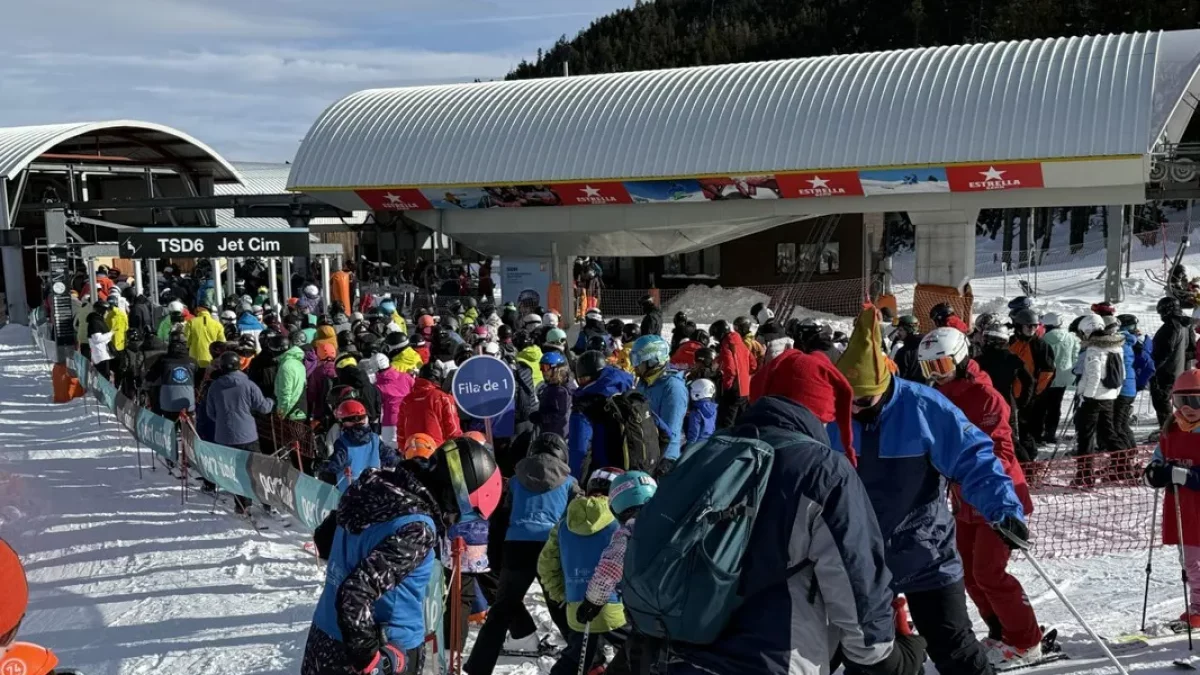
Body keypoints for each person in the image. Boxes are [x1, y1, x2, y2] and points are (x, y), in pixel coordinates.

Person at [671, 347, 929, 675]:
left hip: (682, 649)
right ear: (819, 407)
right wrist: (885, 656)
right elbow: (853, 574)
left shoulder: (707, 452)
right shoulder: (820, 470)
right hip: (772, 657)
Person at [830, 305, 1026, 675]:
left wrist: (1003, 508)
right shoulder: (832, 413)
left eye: (863, 401)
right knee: (869, 659)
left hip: (925, 551)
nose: (853, 409)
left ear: (884, 385)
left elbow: (976, 457)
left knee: (956, 651)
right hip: (861, 561)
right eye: (847, 400)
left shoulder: (922, 406)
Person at [303, 438, 502, 675]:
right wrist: (371, 661)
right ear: (454, 496)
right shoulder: (416, 527)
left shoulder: (374, 487)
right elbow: (355, 594)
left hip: (324, 636)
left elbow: (324, 540)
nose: (454, 522)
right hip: (381, 649)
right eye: (462, 515)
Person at [917, 328, 1042, 667]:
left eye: (942, 365)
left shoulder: (985, 396)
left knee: (990, 572)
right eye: (929, 369)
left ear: (959, 357)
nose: (937, 375)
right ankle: (1001, 631)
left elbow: (1000, 446)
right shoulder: (935, 396)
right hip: (963, 499)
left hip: (997, 494)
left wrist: (984, 482)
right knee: (968, 572)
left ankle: (1027, 640)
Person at [465, 433, 578, 675]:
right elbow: (575, 522)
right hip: (551, 548)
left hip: (516, 547)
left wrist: (494, 557)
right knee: (559, 607)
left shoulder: (515, 481)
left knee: (501, 611)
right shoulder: (570, 483)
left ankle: (477, 668)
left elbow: (500, 520)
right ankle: (585, 658)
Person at [538, 467, 627, 675]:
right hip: (616, 608)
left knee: (578, 655)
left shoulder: (564, 525)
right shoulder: (621, 524)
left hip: (577, 607)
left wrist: (564, 595)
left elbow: (546, 565)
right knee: (642, 651)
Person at [1143, 369, 1200, 628]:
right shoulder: (1171, 430)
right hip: (1183, 509)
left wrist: (1182, 474)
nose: (1188, 409)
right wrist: (1154, 473)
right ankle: (1198, 607)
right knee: (1190, 562)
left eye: (1196, 402)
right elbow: (1159, 459)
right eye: (1181, 402)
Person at [204, 351, 275, 512]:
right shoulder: (248, 384)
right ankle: (266, 502)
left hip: (224, 436)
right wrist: (272, 401)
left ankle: (242, 504)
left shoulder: (215, 386)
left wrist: (223, 422)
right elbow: (263, 407)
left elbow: (211, 413)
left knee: (234, 470)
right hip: (248, 434)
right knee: (255, 467)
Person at [1072, 314, 1126, 485]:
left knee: (1086, 436)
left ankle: (1085, 475)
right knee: (1108, 433)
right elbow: (1122, 373)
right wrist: (1114, 393)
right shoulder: (1116, 346)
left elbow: (1094, 375)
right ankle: (1123, 466)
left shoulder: (1094, 348)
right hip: (1109, 396)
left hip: (1093, 399)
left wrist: (1086, 396)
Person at [568, 351, 635, 478]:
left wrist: (575, 486)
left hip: (601, 477)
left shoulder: (584, 407)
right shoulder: (630, 393)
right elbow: (665, 432)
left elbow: (579, 452)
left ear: (586, 378)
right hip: (633, 475)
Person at [632, 335, 688, 473]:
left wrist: (664, 462)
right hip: (644, 453)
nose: (635, 366)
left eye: (639, 361)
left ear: (653, 361)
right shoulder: (644, 382)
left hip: (662, 459)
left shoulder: (673, 388)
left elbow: (671, 431)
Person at [320, 400, 401, 492]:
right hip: (373, 490)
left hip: (350, 494)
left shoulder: (343, 443)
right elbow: (392, 459)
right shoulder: (374, 439)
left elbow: (335, 466)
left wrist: (322, 466)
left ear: (344, 422)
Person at [1008, 309, 1055, 456]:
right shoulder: (1012, 342)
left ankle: (1029, 461)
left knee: (1026, 431)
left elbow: (1048, 372)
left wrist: (1035, 392)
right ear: (1018, 326)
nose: (1032, 330)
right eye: (1028, 326)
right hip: (1010, 393)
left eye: (1035, 326)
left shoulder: (1041, 346)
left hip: (1029, 396)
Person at [396, 360, 462, 446]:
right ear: (439, 378)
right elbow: (453, 429)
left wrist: (404, 449)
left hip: (413, 449)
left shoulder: (406, 400)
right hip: (437, 450)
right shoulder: (444, 398)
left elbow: (401, 431)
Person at [1039, 313, 1080, 444]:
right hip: (1063, 376)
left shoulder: (1043, 338)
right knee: (1055, 406)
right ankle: (1051, 433)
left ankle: (1040, 432)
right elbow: (1075, 357)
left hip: (1046, 377)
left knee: (1042, 406)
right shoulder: (1071, 338)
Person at [1154, 296, 1196, 426]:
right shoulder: (1185, 325)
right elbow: (1192, 350)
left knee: (1162, 402)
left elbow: (1164, 352)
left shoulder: (1171, 326)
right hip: (1181, 371)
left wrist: (1153, 368)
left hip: (1167, 372)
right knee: (1180, 403)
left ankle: (1168, 430)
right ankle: (1182, 426)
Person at [710, 320, 750, 428]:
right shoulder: (739, 341)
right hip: (745, 387)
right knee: (743, 421)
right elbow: (752, 363)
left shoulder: (726, 343)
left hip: (734, 387)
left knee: (726, 422)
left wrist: (727, 385)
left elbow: (730, 368)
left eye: (715, 336)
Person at [145, 337, 196, 419]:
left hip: (168, 399)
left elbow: (151, 376)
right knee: (188, 422)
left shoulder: (163, 361)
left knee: (169, 420)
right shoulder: (193, 361)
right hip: (188, 399)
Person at [375, 353, 414, 446]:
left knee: (391, 451)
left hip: (390, 423)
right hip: (410, 419)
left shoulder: (378, 386)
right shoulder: (406, 377)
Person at [536, 351, 572, 438]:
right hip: (549, 434)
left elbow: (560, 415)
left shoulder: (560, 391)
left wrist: (541, 418)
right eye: (541, 367)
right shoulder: (551, 387)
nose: (542, 371)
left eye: (545, 367)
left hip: (557, 437)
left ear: (556, 369)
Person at [275, 334, 309, 421]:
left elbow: (285, 393)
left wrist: (281, 413)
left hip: (291, 410)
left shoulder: (286, 366)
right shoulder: (298, 362)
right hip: (301, 407)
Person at [889, 315, 924, 382]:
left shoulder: (904, 351)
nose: (898, 333)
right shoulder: (926, 345)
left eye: (900, 330)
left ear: (909, 330)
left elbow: (899, 376)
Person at [86, 300, 115, 378]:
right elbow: (97, 338)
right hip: (100, 355)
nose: (107, 313)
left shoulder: (99, 320)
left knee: (106, 376)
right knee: (104, 377)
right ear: (102, 311)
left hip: (103, 353)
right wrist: (111, 333)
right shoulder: (95, 322)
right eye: (106, 311)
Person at [685, 378, 717, 445]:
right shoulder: (713, 408)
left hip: (697, 445)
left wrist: (688, 447)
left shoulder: (696, 411)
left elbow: (694, 432)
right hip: (708, 442)